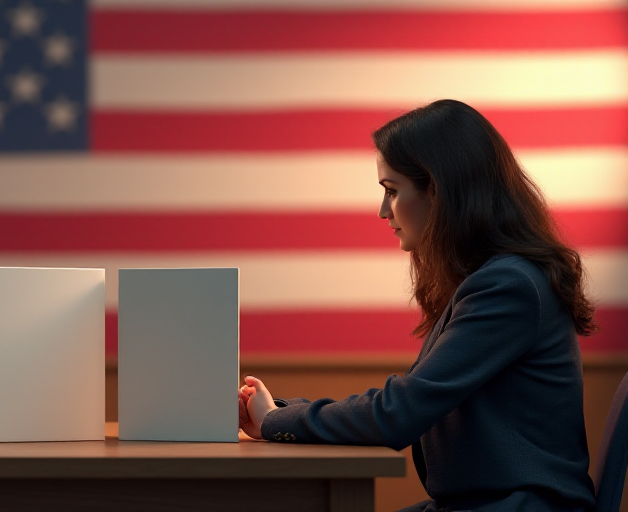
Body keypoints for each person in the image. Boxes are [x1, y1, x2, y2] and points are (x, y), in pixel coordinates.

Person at [237, 100, 596, 511]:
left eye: (392, 191)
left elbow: (400, 412)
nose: (383, 211)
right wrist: (278, 414)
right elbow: (403, 404)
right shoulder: (496, 279)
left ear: (439, 191)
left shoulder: (507, 286)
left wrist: (275, 421)